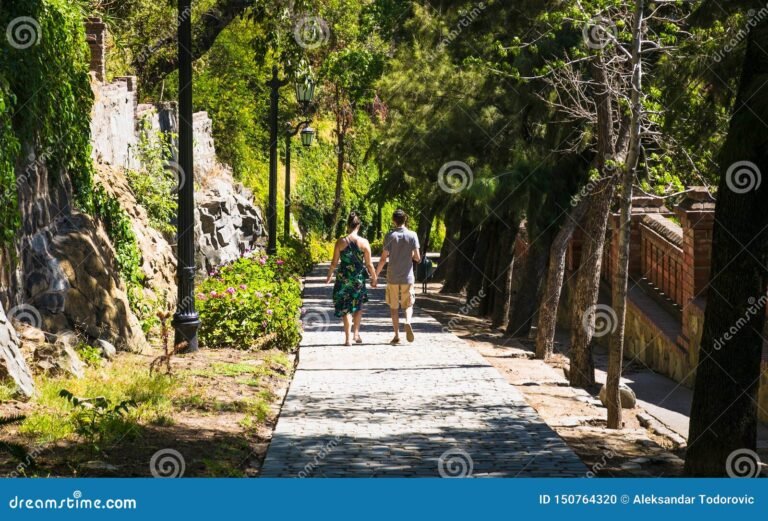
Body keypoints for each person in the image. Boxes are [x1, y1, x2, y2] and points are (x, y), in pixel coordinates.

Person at [326, 212, 377, 346]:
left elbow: (334, 262)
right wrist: (374, 277)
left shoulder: (340, 242)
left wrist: (329, 275)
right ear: (358, 226)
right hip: (358, 279)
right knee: (358, 307)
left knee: (345, 307)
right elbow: (369, 264)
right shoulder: (364, 242)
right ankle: (356, 334)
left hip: (344, 278)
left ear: (348, 226)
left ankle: (348, 339)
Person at [375, 209, 421, 345]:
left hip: (392, 276)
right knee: (408, 304)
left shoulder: (390, 236)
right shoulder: (413, 235)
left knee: (394, 307)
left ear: (394, 221)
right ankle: (408, 321)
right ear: (405, 219)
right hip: (407, 277)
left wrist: (375, 275)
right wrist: (409, 255)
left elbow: (383, 259)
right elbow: (417, 258)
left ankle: (396, 335)